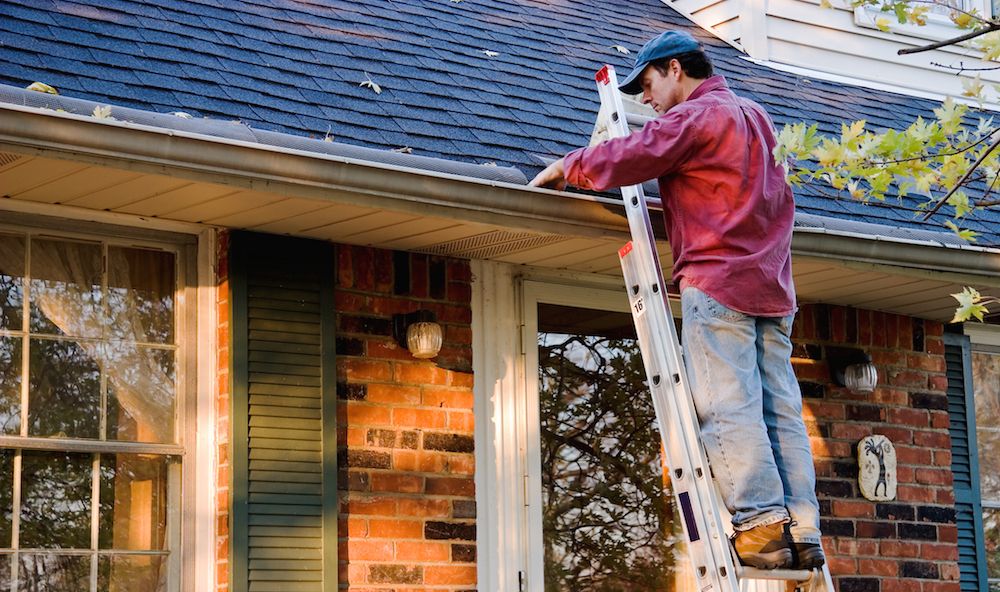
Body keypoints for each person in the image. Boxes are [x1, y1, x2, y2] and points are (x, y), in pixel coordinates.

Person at [530, 30, 824, 571]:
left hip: (719, 284)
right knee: (779, 408)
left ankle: (760, 526)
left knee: (728, 405)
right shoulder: (757, 117)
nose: (644, 100)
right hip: (773, 288)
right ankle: (801, 529)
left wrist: (570, 165)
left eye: (646, 84)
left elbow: (639, 151)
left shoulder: (698, 116)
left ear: (673, 69)